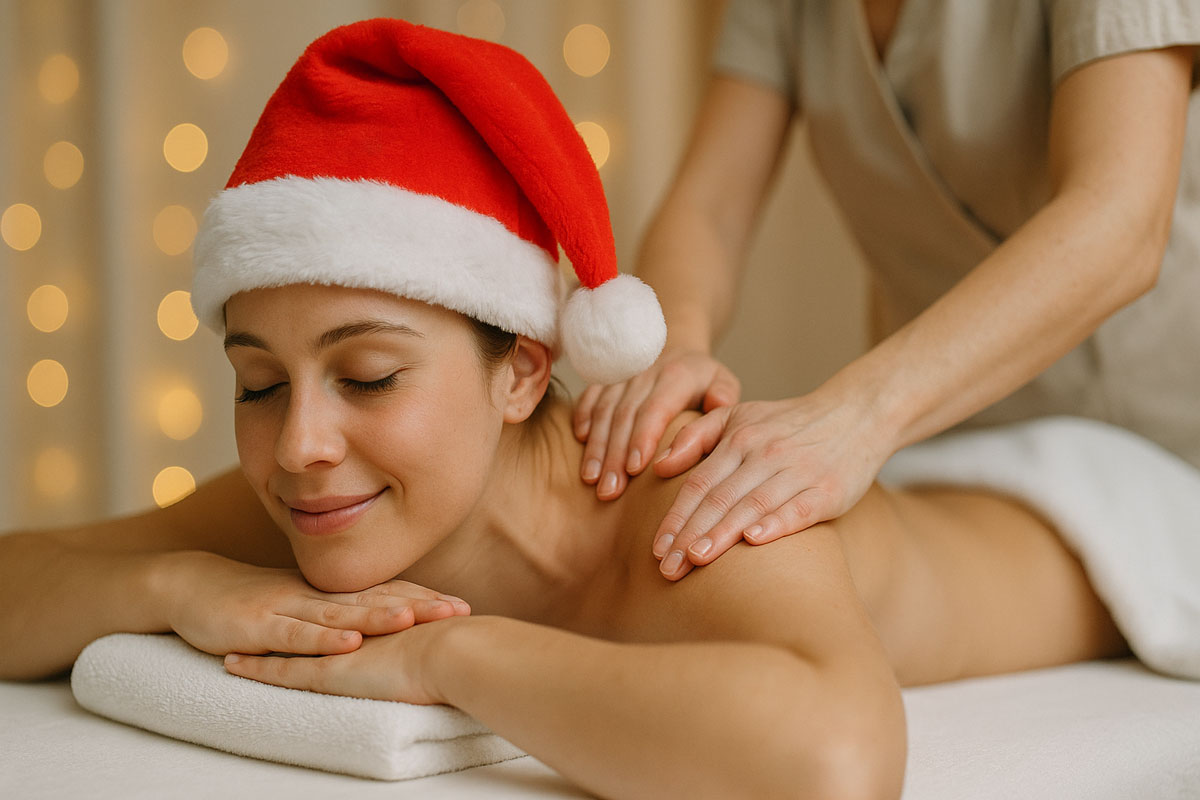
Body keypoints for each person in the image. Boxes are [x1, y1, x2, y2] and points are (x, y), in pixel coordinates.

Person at [0, 17, 1152, 800]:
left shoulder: (690, 495)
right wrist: (182, 586)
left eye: (370, 376)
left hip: (1125, 503)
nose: (299, 442)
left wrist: (453, 658)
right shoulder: (317, 509)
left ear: (523, 369)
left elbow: (833, 759)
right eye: (256, 382)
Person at [572, 0, 1200, 580]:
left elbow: (1121, 218)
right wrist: (673, 345)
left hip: (1166, 443)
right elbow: (710, 209)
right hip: (956, 454)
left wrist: (857, 415)